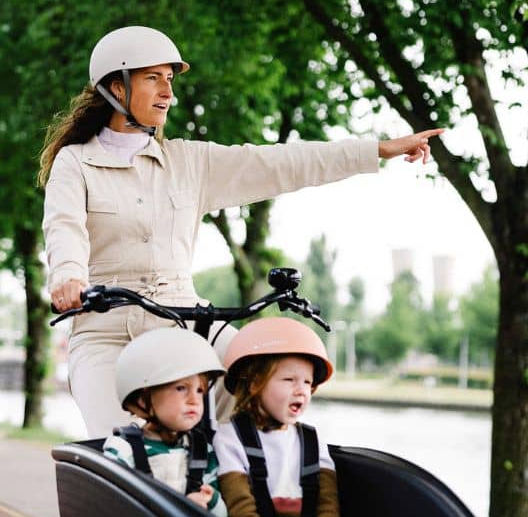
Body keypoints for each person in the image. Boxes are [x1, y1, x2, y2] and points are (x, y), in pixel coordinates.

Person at [40, 24, 444, 439]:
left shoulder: (189, 162)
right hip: (105, 327)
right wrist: (69, 277)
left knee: (261, 381)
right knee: (121, 446)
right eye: (152, 78)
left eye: (170, 79)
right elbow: (64, 228)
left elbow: (283, 162)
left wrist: (376, 149)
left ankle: (256, 490)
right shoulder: (75, 163)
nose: (168, 92)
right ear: (117, 88)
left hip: (183, 319)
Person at [213, 316, 340, 517]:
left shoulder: (313, 440)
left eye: (307, 382)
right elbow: (240, 510)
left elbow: (328, 508)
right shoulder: (230, 438)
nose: (301, 390)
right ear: (255, 384)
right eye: (289, 380)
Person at [102, 327, 228, 517]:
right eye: (181, 388)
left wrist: (209, 500)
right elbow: (113, 511)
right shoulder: (123, 449)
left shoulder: (203, 450)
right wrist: (183, 508)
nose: (194, 400)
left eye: (200, 391)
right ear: (144, 399)